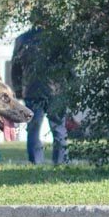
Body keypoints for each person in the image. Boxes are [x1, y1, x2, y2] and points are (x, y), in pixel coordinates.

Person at [10, 24, 68, 166]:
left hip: (32, 90)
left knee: (33, 129)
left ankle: (36, 162)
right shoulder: (59, 38)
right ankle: (60, 163)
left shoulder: (22, 39)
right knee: (59, 129)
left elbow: (15, 68)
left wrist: (18, 90)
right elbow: (68, 65)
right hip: (57, 91)